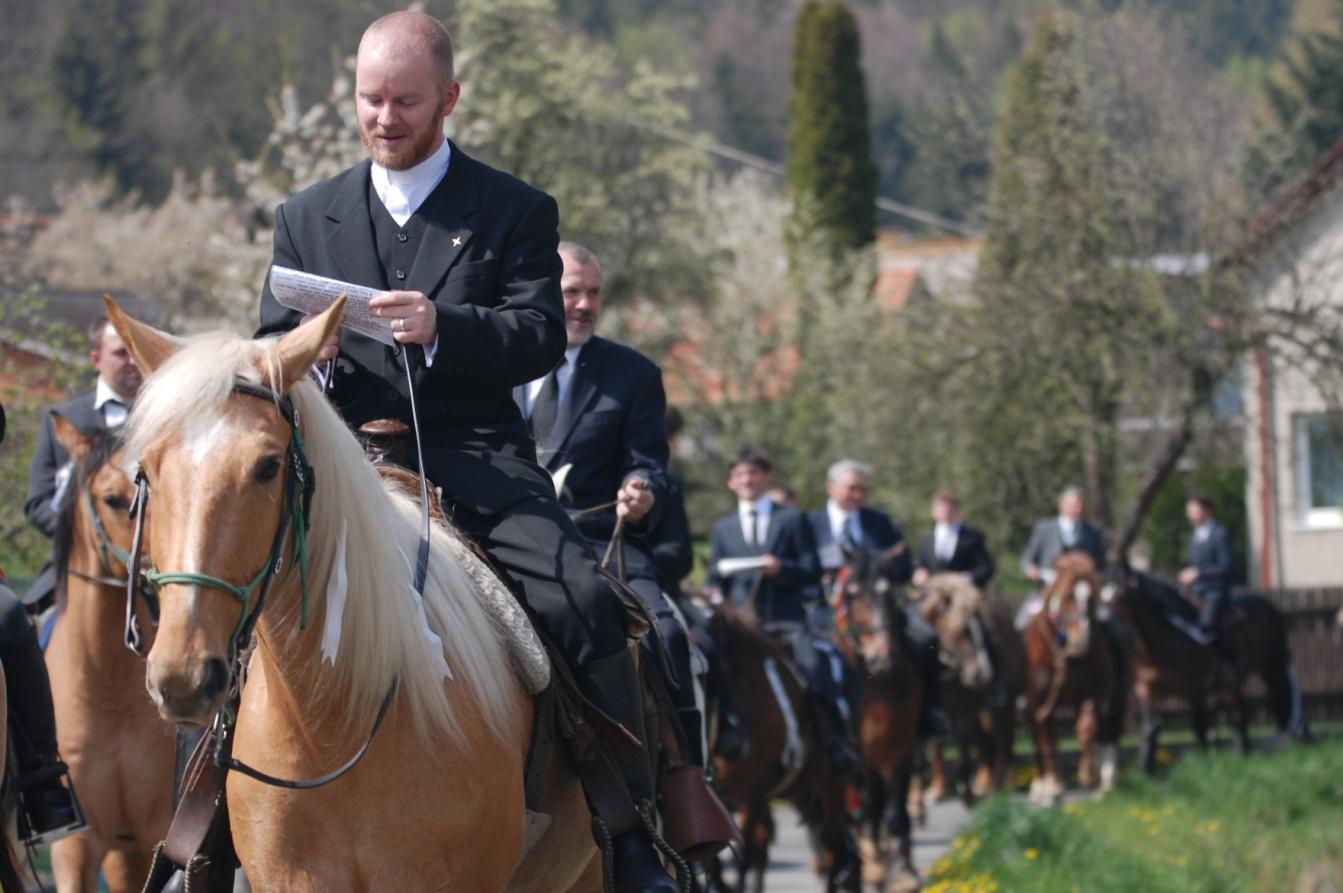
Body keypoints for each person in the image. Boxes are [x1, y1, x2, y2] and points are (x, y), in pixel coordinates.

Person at [255, 13, 674, 890]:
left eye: (406, 100)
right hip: (335, 467)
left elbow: (537, 335)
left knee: (585, 599)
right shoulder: (305, 214)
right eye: (370, 99)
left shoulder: (515, 208)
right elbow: (267, 340)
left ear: (449, 97)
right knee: (218, 603)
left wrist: (447, 325)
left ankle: (627, 826)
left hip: (472, 453)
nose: (384, 117)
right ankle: (201, 838)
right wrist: (298, 350)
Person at [515, 242, 706, 770]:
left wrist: (642, 489)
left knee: (668, 635)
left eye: (593, 293)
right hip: (504, 540)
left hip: (605, 545)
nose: (584, 304)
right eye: (571, 292)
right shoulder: (500, 362)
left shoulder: (634, 374)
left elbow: (650, 464)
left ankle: (688, 783)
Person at [706, 447, 858, 776]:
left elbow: (811, 568)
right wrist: (713, 591)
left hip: (784, 620)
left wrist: (782, 569)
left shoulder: (791, 519)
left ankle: (834, 742)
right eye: (740, 474)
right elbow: (714, 576)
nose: (747, 479)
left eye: (753, 472)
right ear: (731, 482)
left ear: (766, 476)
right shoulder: (723, 528)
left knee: (815, 665)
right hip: (740, 625)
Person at [810, 461, 946, 740]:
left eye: (862, 489)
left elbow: (905, 566)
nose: (857, 494)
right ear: (831, 488)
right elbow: (799, 566)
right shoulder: (810, 524)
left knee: (926, 637)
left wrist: (888, 568)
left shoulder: (879, 522)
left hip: (878, 611)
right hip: (824, 610)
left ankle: (928, 714)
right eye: (851, 488)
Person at [1178, 496, 1236, 658]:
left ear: (1207, 511)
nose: (1191, 516)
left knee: (1206, 625)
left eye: (1195, 511)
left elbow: (1226, 567)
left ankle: (1222, 660)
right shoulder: (1194, 537)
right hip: (1197, 592)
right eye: (1189, 512)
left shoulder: (1220, 534)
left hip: (1216, 592)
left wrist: (1198, 573)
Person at [1021, 485, 1106, 583]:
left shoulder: (1093, 533)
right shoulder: (1044, 529)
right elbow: (1027, 559)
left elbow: (1101, 565)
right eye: (1075, 506)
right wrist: (1030, 570)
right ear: (1062, 506)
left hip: (1081, 590)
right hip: (1047, 588)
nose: (1079, 509)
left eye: (1081, 505)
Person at [912, 491, 995, 590]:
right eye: (941, 508)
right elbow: (920, 564)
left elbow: (986, 568)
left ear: (957, 510)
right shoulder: (926, 539)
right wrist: (919, 574)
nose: (945, 511)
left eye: (949, 508)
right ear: (933, 511)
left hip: (962, 593)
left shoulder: (972, 538)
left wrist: (967, 578)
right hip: (932, 592)